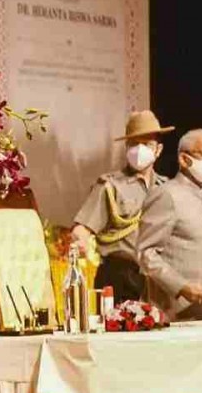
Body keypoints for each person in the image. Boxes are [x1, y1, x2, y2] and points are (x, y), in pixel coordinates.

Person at [137, 129, 202, 320]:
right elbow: (146, 254)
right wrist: (180, 286)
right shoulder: (166, 195)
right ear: (184, 160)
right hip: (174, 317)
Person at [70, 110, 172, 301]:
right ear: (126, 148)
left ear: (158, 150)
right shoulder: (110, 186)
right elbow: (82, 228)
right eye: (134, 144)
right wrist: (80, 241)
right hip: (119, 276)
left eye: (147, 144)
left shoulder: (167, 188)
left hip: (157, 279)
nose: (140, 149)